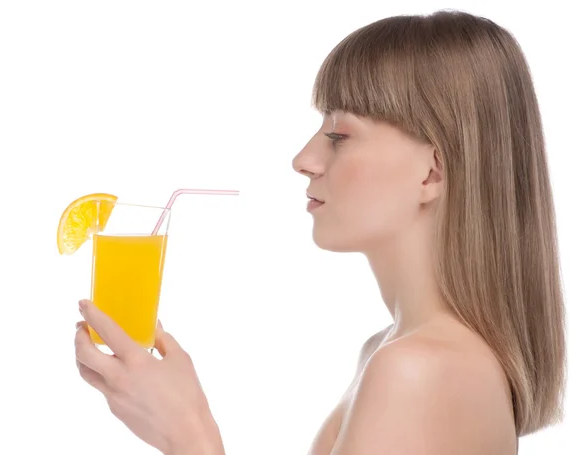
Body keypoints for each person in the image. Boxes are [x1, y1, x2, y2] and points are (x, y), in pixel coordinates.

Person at [74, 9, 566, 455]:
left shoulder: (419, 370)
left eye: (339, 136)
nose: (304, 160)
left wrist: (188, 433)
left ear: (431, 173)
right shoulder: (389, 349)